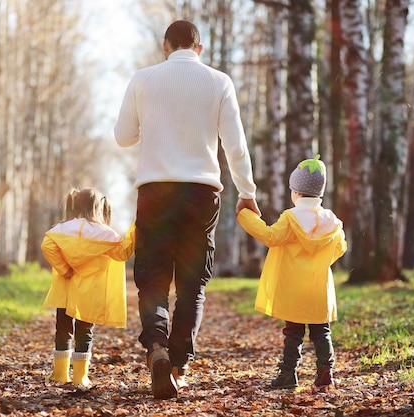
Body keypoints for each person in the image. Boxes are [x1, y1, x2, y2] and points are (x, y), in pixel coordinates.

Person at [114, 19, 261, 399]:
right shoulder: (219, 82)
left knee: (153, 277)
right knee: (193, 283)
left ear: (166, 46)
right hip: (201, 192)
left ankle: (157, 348)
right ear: (199, 48)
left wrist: (155, 124)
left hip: (155, 190)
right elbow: (236, 145)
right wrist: (247, 192)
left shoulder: (143, 78)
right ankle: (178, 363)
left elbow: (123, 136)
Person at [237, 155, 347, 390]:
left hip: (294, 288)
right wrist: (320, 259)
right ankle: (325, 372)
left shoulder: (291, 218)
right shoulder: (332, 222)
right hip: (319, 288)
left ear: (296, 192)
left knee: (293, 333)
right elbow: (340, 248)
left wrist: (245, 215)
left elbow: (270, 237)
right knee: (321, 332)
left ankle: (288, 374)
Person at [41, 188, 135, 387]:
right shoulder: (105, 233)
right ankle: (80, 377)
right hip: (90, 292)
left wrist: (64, 269)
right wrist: (135, 228)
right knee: (85, 331)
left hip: (65, 288)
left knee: (63, 328)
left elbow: (46, 246)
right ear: (97, 207)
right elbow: (122, 254)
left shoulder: (61, 229)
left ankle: (59, 374)